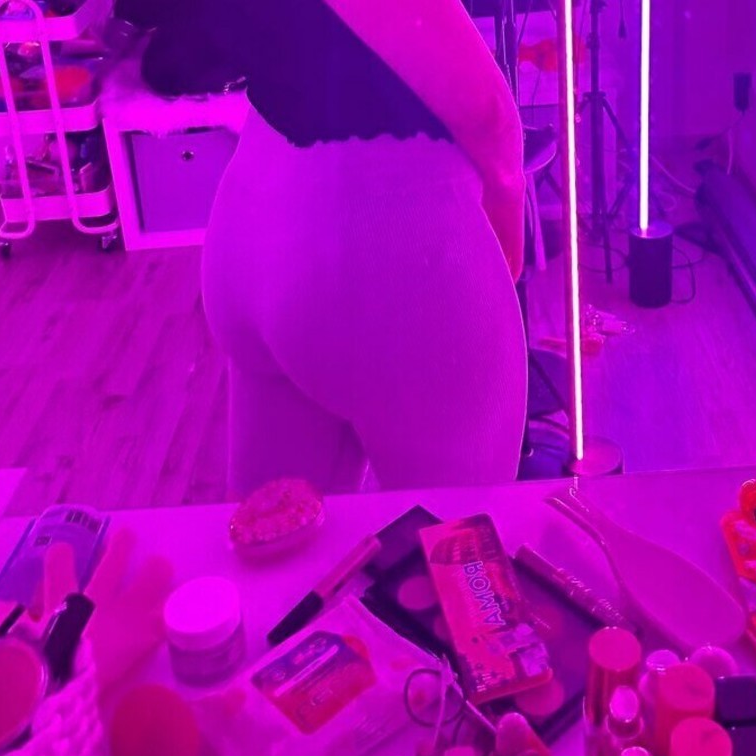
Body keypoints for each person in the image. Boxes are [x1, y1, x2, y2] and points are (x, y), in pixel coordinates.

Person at [201, 0, 529, 497]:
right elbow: (482, 111)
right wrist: (508, 202)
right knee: (455, 537)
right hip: (391, 231)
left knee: (286, 540)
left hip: (256, 199)